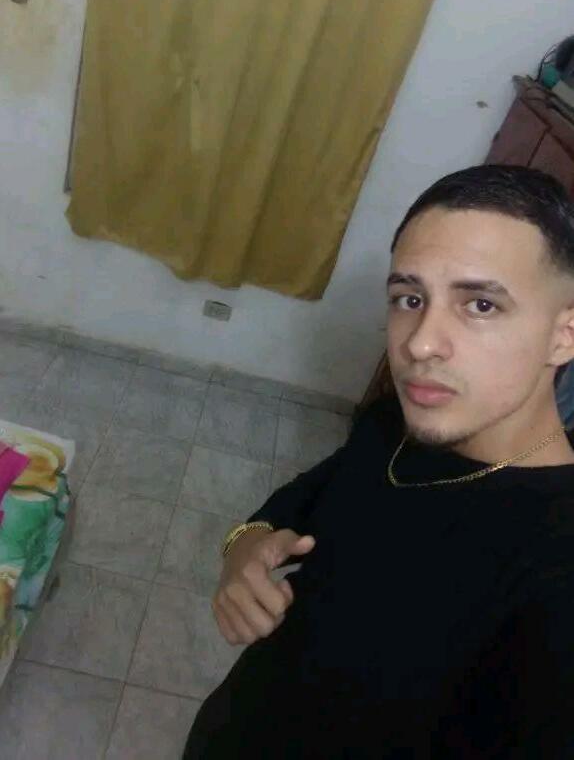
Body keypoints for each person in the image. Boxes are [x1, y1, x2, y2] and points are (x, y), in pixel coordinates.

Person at [184, 165, 574, 758]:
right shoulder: (394, 422)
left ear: (564, 335)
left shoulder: (555, 565)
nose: (419, 343)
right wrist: (244, 548)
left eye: (481, 305)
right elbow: (310, 496)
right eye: (409, 299)